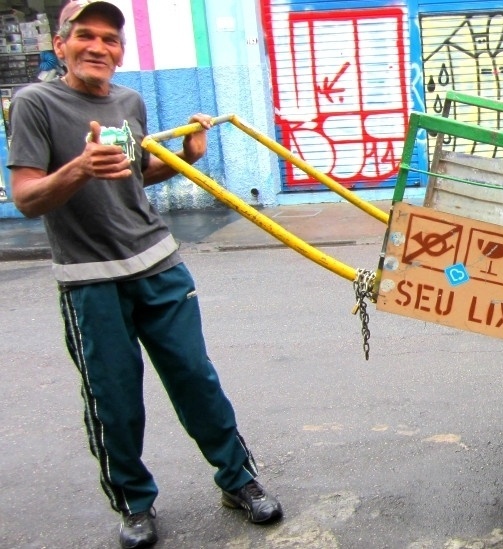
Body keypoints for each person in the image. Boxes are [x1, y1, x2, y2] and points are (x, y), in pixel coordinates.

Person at [6, 2, 283, 547]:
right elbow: (27, 197)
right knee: (115, 400)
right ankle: (134, 503)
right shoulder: (34, 104)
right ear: (61, 44)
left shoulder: (129, 101)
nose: (98, 47)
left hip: (158, 263)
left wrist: (187, 156)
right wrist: (78, 167)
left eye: (110, 39)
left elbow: (133, 176)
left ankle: (237, 480)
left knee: (196, 379)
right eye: (85, 36)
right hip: (90, 279)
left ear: (120, 51)